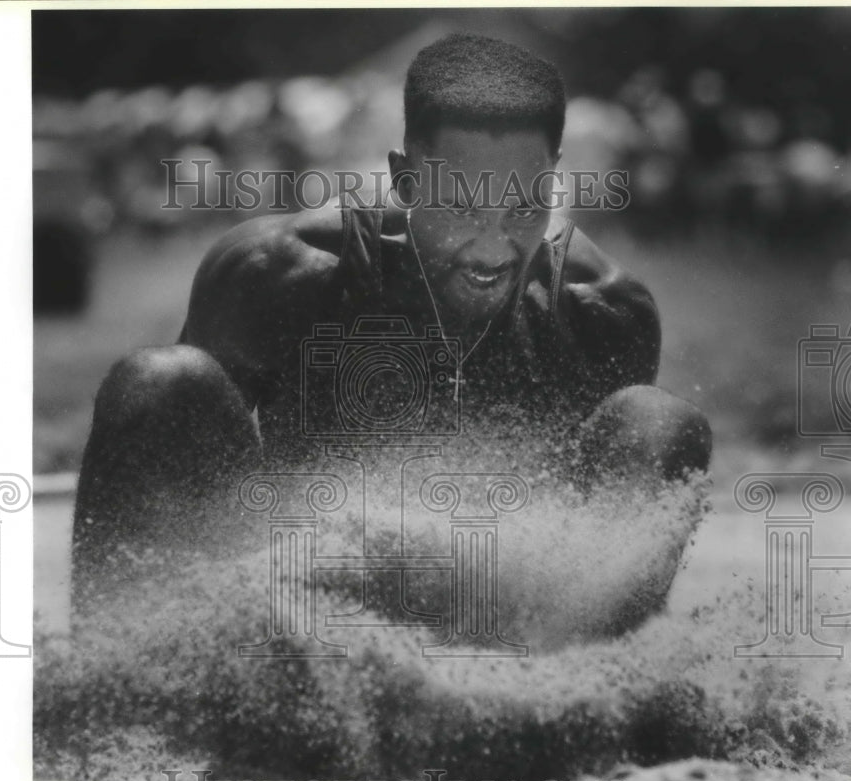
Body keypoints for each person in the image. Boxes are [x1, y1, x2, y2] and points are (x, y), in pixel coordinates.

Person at [71, 34, 711, 599]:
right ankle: (114, 694)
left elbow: (595, 528)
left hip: (511, 637)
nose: (494, 245)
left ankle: (606, 702)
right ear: (404, 181)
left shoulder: (600, 311)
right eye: (460, 204)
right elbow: (176, 458)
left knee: (661, 422)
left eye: (524, 205)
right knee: (159, 380)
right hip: (295, 614)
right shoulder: (278, 272)